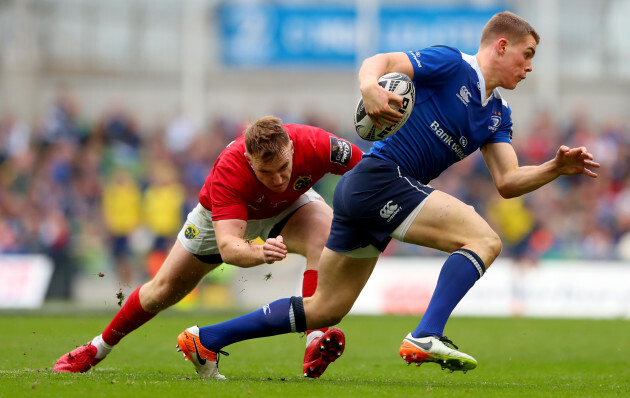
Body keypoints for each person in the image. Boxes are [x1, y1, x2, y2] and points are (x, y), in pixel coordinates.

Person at [175, 11, 600, 378]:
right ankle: (426, 334)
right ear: (501, 47)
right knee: (484, 240)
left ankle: (205, 339)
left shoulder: (497, 114)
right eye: (527, 56)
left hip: (369, 191)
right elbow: (380, 61)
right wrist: (369, 87)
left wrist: (555, 169)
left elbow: (508, 181)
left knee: (325, 309)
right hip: (379, 177)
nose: (529, 68)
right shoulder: (452, 65)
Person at [53, 115, 364, 379]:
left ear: (293, 148)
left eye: (284, 167)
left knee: (323, 236)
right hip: (219, 221)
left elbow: (370, 173)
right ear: (248, 160)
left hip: (288, 208)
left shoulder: (319, 144)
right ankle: (97, 348)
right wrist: (260, 252)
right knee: (162, 290)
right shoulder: (230, 170)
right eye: (266, 172)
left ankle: (314, 339)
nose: (279, 178)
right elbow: (230, 247)